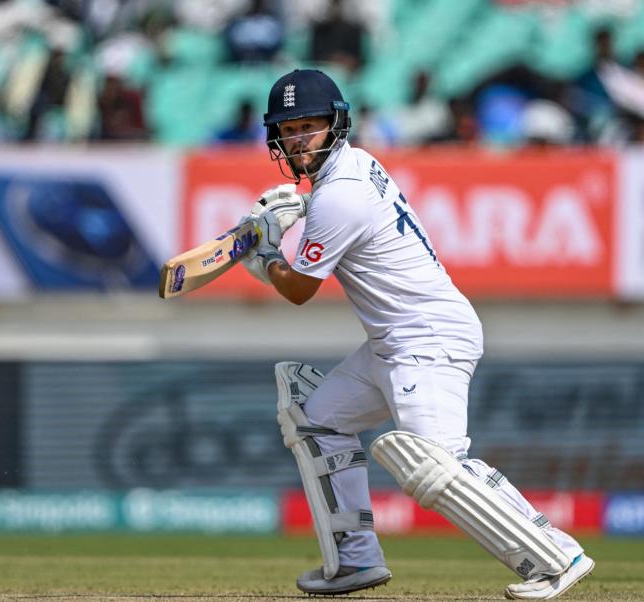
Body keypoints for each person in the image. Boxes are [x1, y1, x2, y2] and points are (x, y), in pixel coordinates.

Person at [240, 69, 594, 598]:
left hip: (425, 337)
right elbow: (330, 214)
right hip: (394, 340)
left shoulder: (341, 196)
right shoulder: (355, 167)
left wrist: (263, 254)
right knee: (314, 421)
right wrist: (294, 214)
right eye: (287, 130)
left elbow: (298, 290)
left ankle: (556, 556)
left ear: (336, 124)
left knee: (435, 462)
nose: (297, 140)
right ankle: (355, 562)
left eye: (308, 126)